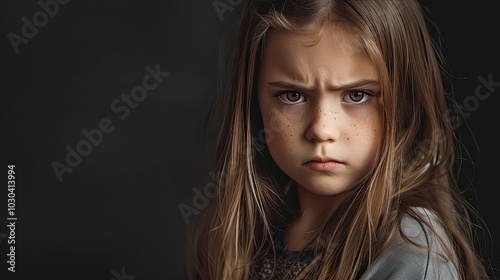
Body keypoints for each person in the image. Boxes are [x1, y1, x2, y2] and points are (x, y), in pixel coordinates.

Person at [187, 0, 493, 279]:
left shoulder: (412, 254)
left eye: (357, 95)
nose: (322, 129)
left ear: (406, 102)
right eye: (293, 96)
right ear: (254, 100)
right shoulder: (240, 233)